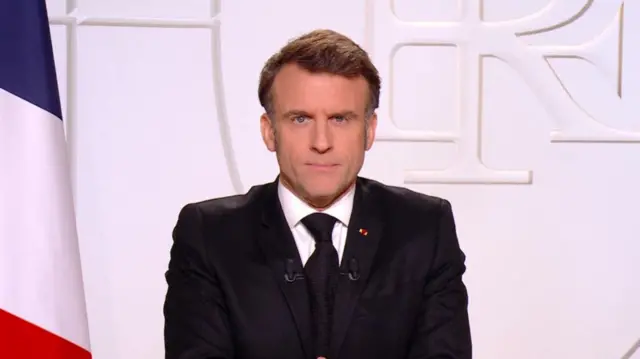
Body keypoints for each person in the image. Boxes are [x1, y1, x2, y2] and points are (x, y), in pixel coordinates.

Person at [163, 29, 472, 359]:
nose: (321, 142)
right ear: (270, 132)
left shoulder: (423, 228)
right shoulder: (210, 235)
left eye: (340, 119)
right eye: (300, 119)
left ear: (369, 131)